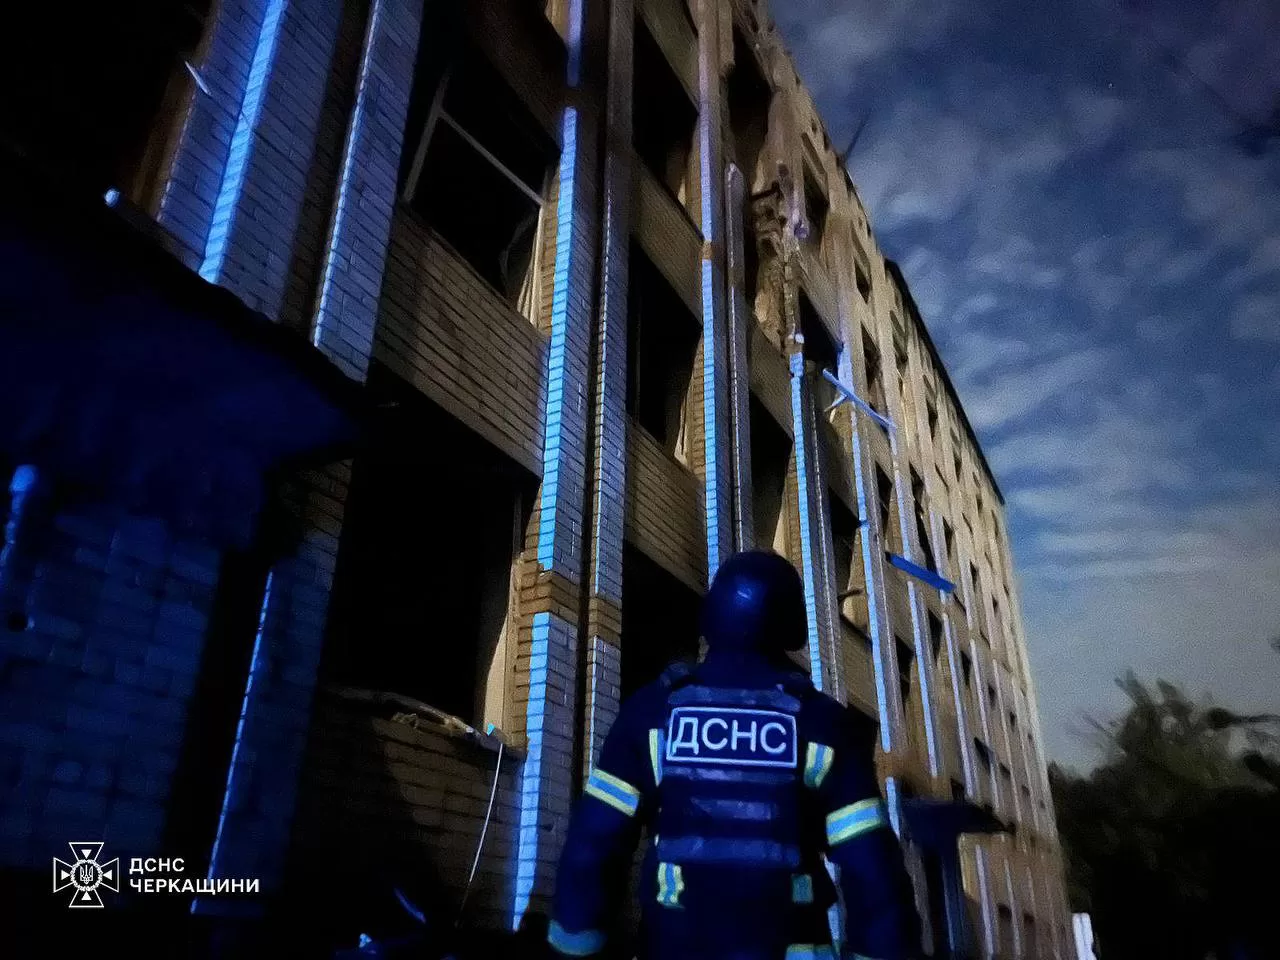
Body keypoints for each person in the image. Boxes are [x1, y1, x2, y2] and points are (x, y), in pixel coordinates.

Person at [547, 550, 921, 960]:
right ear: (792, 624)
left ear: (711, 615)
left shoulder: (651, 715)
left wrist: (574, 946)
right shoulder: (824, 725)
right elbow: (873, 872)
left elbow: (593, 846)